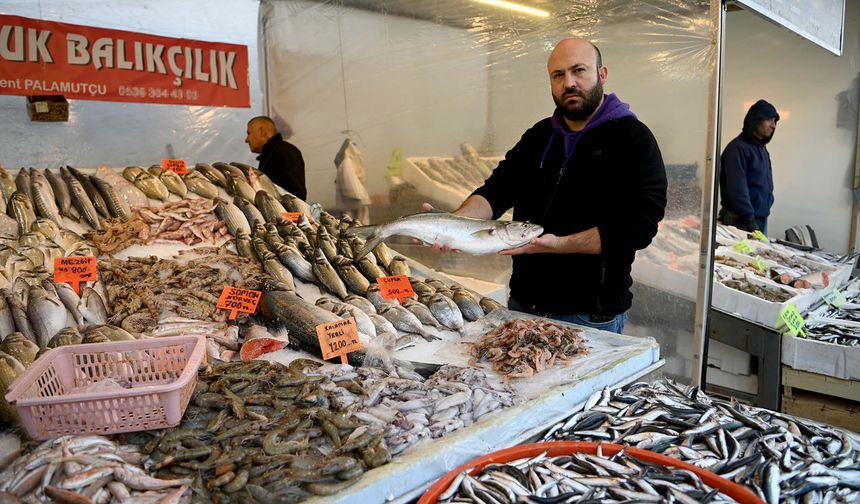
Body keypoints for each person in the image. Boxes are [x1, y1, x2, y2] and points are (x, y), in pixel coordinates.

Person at [433, 38, 667, 334]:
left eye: (579, 71)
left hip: (588, 316)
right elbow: (496, 191)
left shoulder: (633, 140)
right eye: (558, 75)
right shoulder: (539, 136)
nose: (569, 82)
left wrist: (558, 245)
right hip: (523, 305)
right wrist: (451, 224)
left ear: (602, 74)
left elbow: (638, 228)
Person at [718, 100, 779, 234]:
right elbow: (737, 189)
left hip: (759, 218)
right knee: (739, 255)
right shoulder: (737, 149)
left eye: (775, 121)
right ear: (756, 120)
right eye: (769, 120)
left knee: (759, 255)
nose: (773, 125)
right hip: (741, 220)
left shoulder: (761, 148)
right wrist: (750, 219)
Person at [245, 115, 307, 200]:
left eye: (249, 133)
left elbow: (296, 193)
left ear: (262, 131)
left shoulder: (284, 151)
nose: (246, 139)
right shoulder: (274, 153)